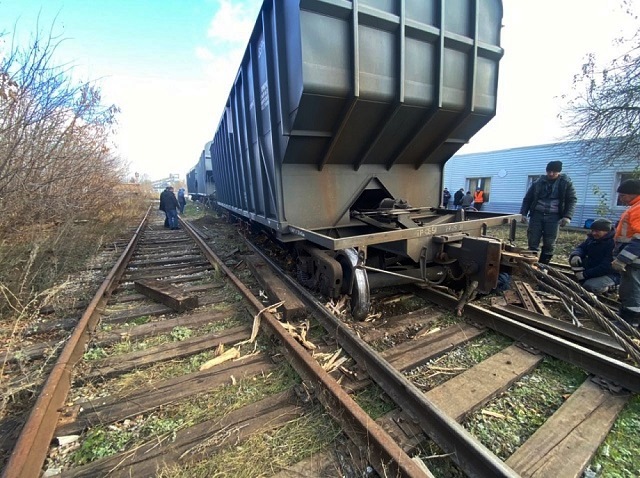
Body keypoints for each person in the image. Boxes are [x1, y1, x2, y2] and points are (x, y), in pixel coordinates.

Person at [520, 161, 577, 264]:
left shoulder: (566, 183)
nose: (551, 174)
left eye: (554, 172)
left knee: (549, 243)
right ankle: (532, 265)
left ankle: (543, 266)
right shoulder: (538, 183)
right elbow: (527, 199)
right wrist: (523, 213)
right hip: (537, 215)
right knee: (533, 241)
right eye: (549, 171)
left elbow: (572, 200)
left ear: (559, 172)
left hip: (554, 216)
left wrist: (567, 216)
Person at [612, 179, 640, 327]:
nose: (621, 199)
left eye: (623, 195)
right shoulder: (634, 207)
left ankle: (630, 322)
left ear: (632, 194)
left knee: (632, 291)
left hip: (634, 260)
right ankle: (626, 318)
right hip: (633, 259)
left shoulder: (638, 209)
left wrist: (622, 259)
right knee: (629, 289)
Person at [568, 218, 619, 293]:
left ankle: (611, 287)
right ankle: (583, 281)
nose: (594, 233)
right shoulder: (592, 238)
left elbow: (607, 266)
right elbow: (581, 248)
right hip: (594, 268)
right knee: (574, 260)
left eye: (597, 231)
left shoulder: (613, 244)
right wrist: (576, 254)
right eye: (592, 231)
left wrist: (585, 274)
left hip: (610, 274)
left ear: (606, 231)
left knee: (590, 286)